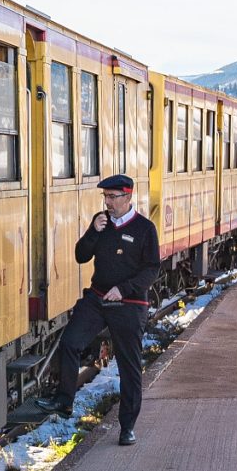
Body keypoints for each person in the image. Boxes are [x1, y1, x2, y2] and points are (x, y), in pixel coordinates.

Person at [52, 173, 159, 445]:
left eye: (113, 197)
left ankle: (127, 427)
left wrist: (124, 289)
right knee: (70, 342)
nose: (108, 203)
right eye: (105, 197)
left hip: (129, 304)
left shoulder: (145, 229)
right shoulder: (101, 224)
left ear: (128, 197)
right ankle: (64, 402)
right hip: (97, 298)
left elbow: (152, 269)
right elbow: (80, 255)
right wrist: (92, 232)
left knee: (129, 366)